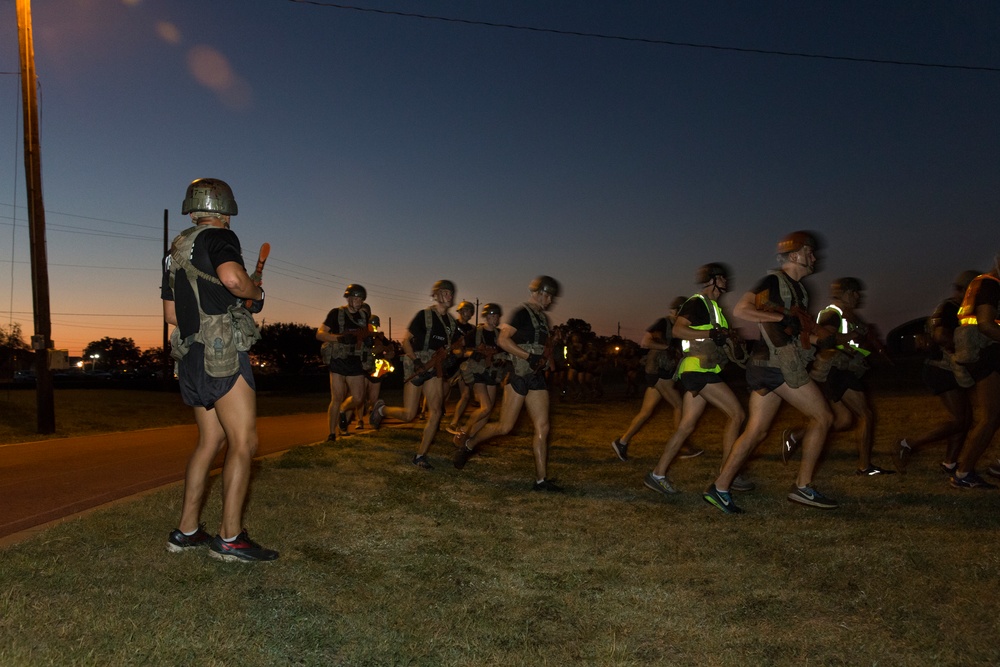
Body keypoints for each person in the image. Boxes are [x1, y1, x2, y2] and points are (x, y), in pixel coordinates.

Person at [162, 178, 277, 562]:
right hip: (222, 354)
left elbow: (169, 314)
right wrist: (256, 293)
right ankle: (229, 539)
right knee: (244, 442)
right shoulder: (219, 237)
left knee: (210, 442)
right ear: (225, 210)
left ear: (191, 208)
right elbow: (233, 279)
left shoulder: (175, 248)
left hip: (191, 356)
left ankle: (187, 531)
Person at [704, 231, 836, 513]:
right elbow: (742, 309)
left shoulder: (800, 290)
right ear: (795, 255)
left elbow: (791, 332)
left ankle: (720, 488)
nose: (814, 257)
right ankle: (803, 487)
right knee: (823, 416)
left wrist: (820, 340)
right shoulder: (773, 282)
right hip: (777, 366)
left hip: (766, 366)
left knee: (756, 431)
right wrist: (781, 316)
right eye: (810, 252)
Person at [642, 265, 748, 497]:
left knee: (686, 427)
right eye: (721, 278)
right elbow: (679, 331)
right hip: (698, 369)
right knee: (737, 414)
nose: (726, 282)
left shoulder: (715, 308)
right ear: (711, 280)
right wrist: (712, 334)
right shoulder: (696, 302)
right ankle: (727, 473)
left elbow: (717, 339)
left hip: (701, 368)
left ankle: (656, 474)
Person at [453, 277, 562, 491]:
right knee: (505, 427)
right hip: (519, 375)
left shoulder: (542, 319)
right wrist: (528, 356)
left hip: (536, 376)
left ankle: (541, 480)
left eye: (551, 296)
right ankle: (469, 444)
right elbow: (503, 340)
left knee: (543, 427)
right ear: (538, 292)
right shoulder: (521, 313)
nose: (550, 300)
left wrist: (546, 358)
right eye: (548, 295)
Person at [782, 278, 895, 475]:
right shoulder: (833, 313)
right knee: (865, 415)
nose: (858, 296)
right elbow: (826, 338)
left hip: (845, 369)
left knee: (843, 420)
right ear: (844, 293)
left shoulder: (851, 316)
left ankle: (796, 435)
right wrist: (849, 338)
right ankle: (865, 466)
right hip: (836, 369)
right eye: (854, 292)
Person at [369, 280, 463, 469]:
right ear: (436, 295)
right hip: (417, 364)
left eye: (450, 293)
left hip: (435, 368)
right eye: (444, 292)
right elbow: (405, 342)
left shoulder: (451, 323)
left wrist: (453, 356)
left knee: (436, 412)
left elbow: (454, 348)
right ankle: (381, 409)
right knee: (409, 414)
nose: (448, 296)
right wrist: (416, 361)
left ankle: (420, 455)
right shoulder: (424, 316)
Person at [895, 270, 979, 473]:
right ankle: (909, 444)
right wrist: (963, 352)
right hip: (942, 369)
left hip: (946, 368)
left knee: (965, 419)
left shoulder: (957, 308)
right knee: (960, 420)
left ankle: (949, 463)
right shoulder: (952, 308)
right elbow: (941, 336)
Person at [610, 296, 703, 463]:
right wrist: (669, 348)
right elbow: (646, 342)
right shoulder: (663, 322)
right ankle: (682, 445)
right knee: (679, 406)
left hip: (664, 372)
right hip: (657, 372)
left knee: (646, 412)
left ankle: (622, 442)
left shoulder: (679, 328)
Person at [949, 258, 1000, 489]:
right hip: (987, 352)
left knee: (993, 416)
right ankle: (963, 472)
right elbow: (987, 325)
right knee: (990, 417)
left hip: (984, 351)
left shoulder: (987, 283)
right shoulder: (990, 284)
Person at [317, 284, 369, 441]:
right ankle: (332, 433)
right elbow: (319, 334)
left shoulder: (364, 316)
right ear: (348, 298)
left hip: (355, 361)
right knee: (337, 397)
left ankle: (343, 411)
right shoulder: (336, 313)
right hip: (338, 360)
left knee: (359, 398)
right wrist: (338, 338)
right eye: (354, 297)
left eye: (360, 298)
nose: (357, 300)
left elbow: (365, 336)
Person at [452, 302, 509, 441]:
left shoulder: (499, 335)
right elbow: (458, 347)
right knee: (485, 407)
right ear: (486, 317)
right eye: (493, 315)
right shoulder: (477, 332)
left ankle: (470, 438)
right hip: (478, 373)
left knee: (488, 412)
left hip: (492, 373)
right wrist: (470, 353)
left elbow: (506, 352)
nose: (496, 318)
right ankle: (464, 429)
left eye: (497, 316)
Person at [446, 300, 477, 434]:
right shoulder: (452, 326)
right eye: (465, 310)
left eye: (470, 311)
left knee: (465, 394)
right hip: (450, 364)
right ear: (460, 311)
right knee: (442, 395)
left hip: (464, 366)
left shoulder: (472, 330)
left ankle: (454, 422)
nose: (467, 313)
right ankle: (426, 412)